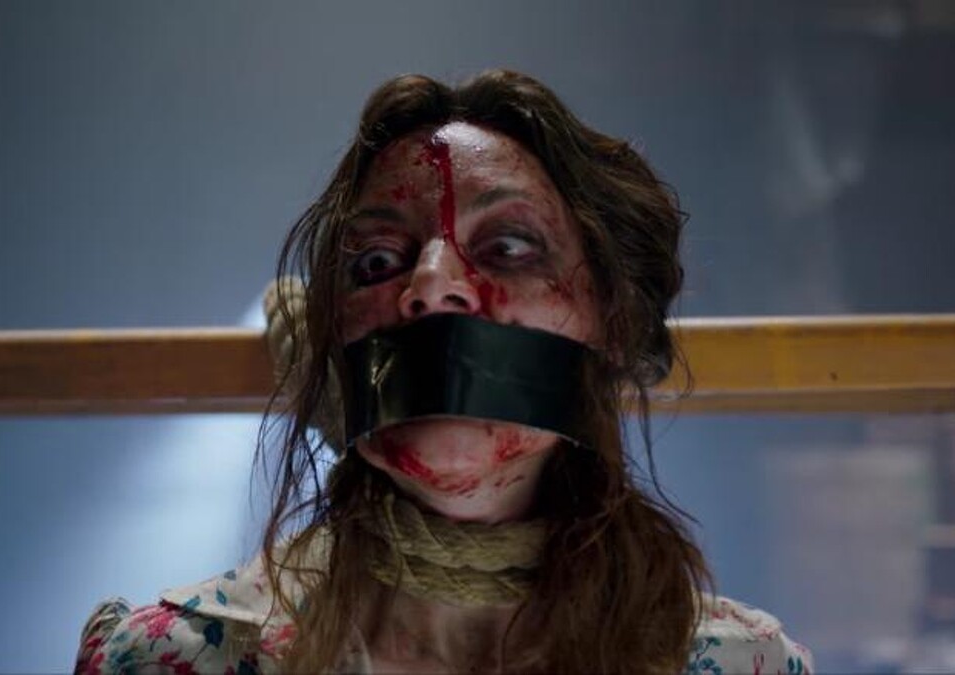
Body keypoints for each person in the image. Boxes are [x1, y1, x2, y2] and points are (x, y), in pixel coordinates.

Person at [75, 70, 813, 674]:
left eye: (510, 248)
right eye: (376, 262)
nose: (430, 286)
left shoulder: (741, 666)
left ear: (612, 325)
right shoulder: (170, 661)